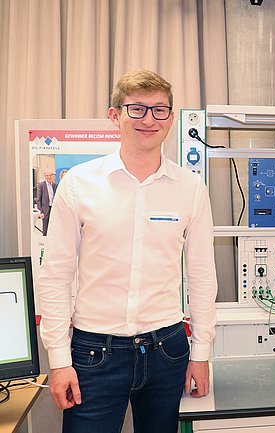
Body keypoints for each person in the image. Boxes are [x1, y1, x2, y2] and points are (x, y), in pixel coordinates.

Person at [38, 69, 217, 433]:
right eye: (137, 109)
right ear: (114, 115)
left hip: (167, 350)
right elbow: (55, 274)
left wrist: (201, 353)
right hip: (94, 354)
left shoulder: (190, 188)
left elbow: (201, 275)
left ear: (170, 118)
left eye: (159, 110)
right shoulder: (79, 184)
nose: (149, 120)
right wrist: (58, 360)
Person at [36, 171, 57, 236]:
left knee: (53, 227)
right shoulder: (41, 185)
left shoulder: (54, 185)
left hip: (53, 209)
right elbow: (38, 200)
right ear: (45, 176)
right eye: (47, 175)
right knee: (45, 228)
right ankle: (45, 240)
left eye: (50, 175)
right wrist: (41, 212)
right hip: (45, 210)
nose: (49, 177)